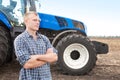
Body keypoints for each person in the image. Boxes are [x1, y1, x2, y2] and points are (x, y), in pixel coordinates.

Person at [14, 11, 58, 80]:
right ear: (26, 21)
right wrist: (47, 58)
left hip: (46, 78)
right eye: (34, 20)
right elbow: (27, 64)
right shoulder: (20, 39)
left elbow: (54, 57)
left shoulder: (44, 39)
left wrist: (37, 57)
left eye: (38, 21)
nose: (38, 22)